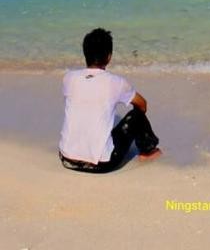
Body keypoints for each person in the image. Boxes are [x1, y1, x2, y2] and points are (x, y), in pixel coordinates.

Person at [59, 28, 161, 173]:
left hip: (67, 159)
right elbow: (142, 105)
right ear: (109, 57)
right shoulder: (115, 82)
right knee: (137, 116)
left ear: (85, 54)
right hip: (101, 163)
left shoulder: (69, 78)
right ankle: (148, 152)